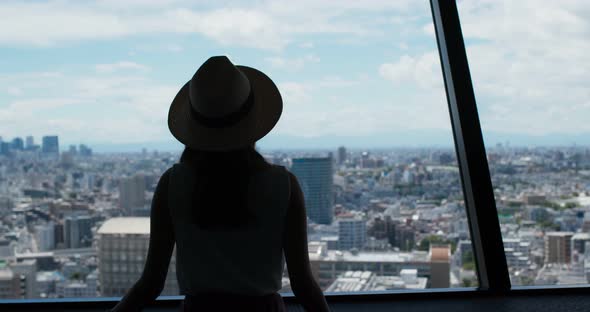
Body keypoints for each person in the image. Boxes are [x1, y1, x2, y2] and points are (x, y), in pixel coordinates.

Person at [111, 56, 330, 312]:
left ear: (194, 124)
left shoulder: (173, 185)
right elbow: (303, 285)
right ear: (252, 120)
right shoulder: (283, 185)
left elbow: (150, 284)